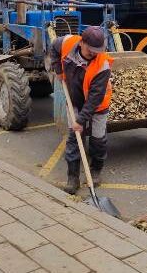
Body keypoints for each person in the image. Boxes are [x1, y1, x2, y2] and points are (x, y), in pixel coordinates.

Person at [50, 26, 112, 194]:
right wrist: (58, 69)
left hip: (98, 104)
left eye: (97, 50)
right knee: (74, 138)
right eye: (90, 49)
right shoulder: (67, 43)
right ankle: (73, 178)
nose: (94, 53)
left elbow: (95, 98)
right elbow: (54, 47)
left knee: (98, 139)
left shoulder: (102, 65)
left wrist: (81, 120)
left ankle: (96, 170)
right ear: (81, 43)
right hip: (75, 101)